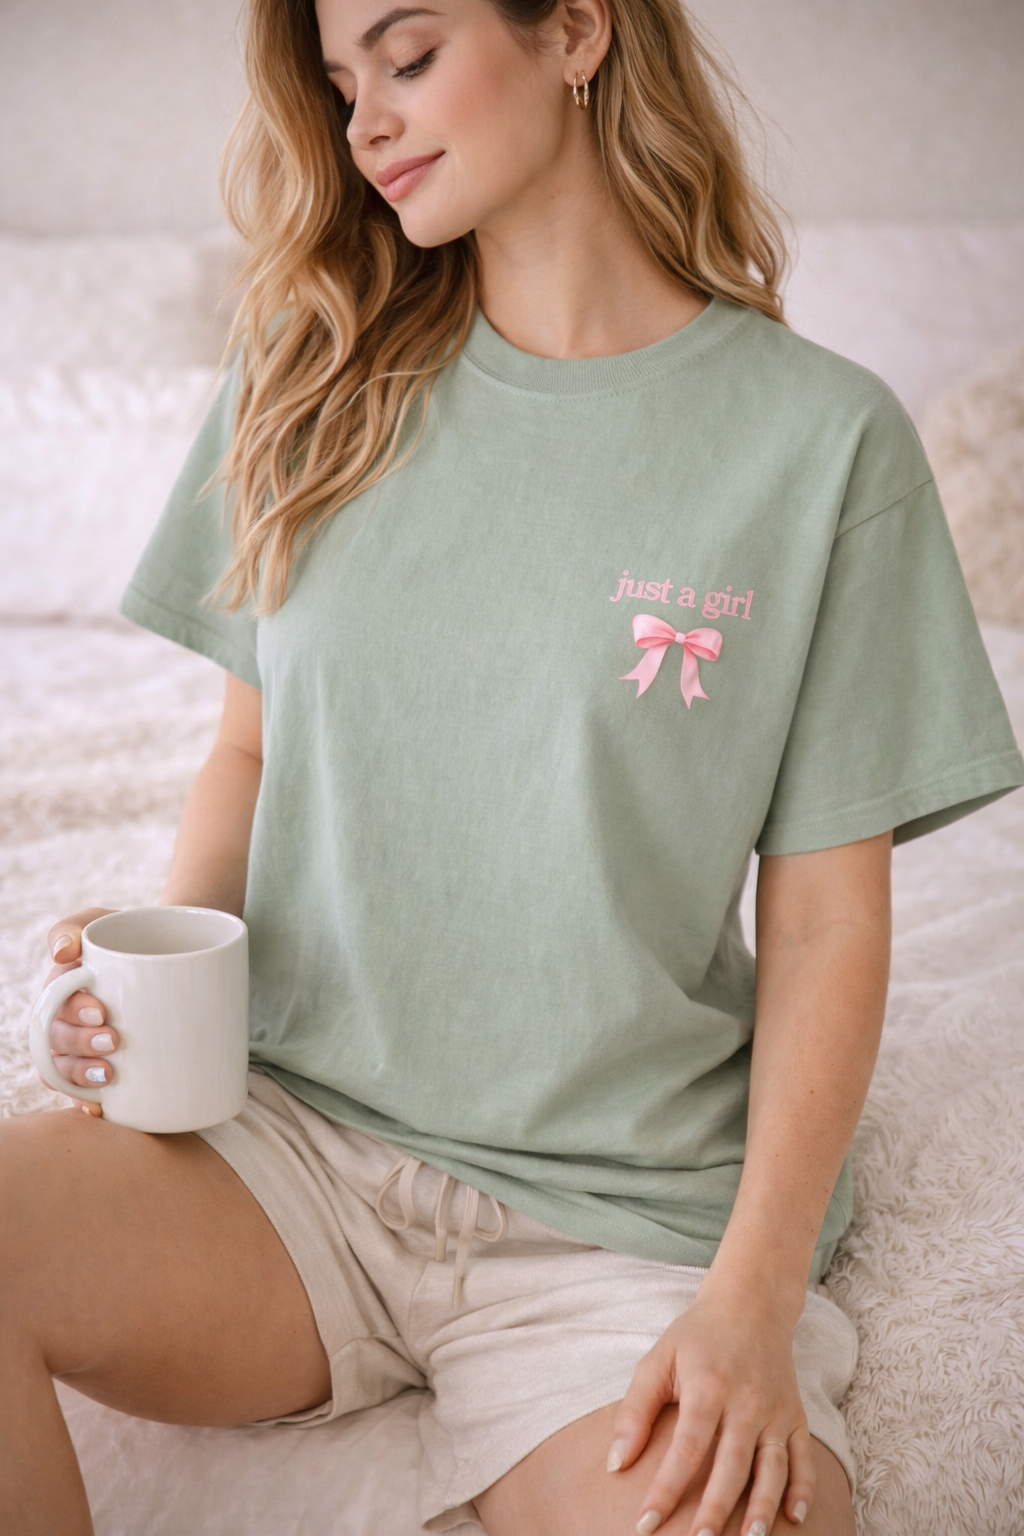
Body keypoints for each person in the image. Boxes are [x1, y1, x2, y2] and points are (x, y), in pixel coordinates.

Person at [4, 0, 1022, 1531]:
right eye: (342, 88)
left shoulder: (822, 446)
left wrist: (746, 1303)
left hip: (614, 1232)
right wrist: (163, 1002)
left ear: (578, 32)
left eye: (408, 58)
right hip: (288, 1163)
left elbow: (822, 921)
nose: (366, 126)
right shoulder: (309, 363)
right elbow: (251, 743)